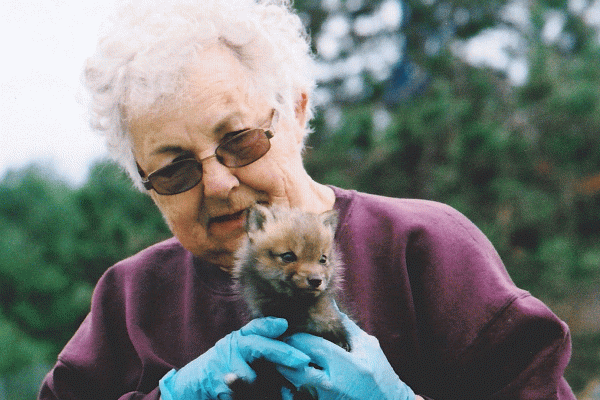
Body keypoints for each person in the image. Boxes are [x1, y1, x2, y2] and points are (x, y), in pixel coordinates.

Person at [38, 0, 575, 399]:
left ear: (295, 112)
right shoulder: (130, 300)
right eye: (175, 169)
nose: (219, 184)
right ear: (145, 185)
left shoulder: (426, 250)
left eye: (239, 140)